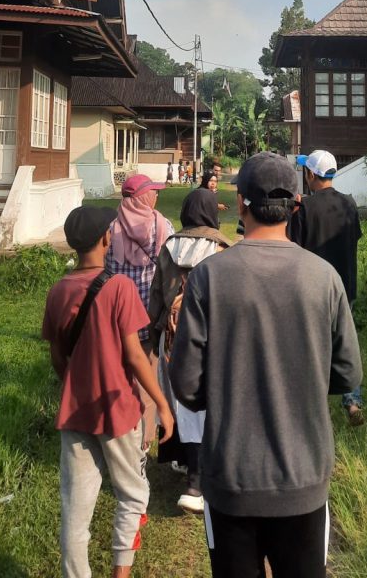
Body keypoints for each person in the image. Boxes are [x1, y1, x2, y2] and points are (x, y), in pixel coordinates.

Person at [170, 152, 362, 578]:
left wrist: (222, 389)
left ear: (240, 204)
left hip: (230, 481)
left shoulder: (208, 278)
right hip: (305, 480)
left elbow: (185, 383)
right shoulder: (324, 277)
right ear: (296, 204)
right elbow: (348, 373)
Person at [42, 205, 174, 578]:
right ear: (106, 239)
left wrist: (75, 381)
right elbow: (134, 354)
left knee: (75, 510)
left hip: (75, 410)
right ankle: (121, 573)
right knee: (132, 494)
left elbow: (57, 358)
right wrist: (161, 404)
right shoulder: (119, 287)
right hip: (116, 408)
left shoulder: (57, 291)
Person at [148, 188, 233, 514]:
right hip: (211, 339)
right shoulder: (222, 249)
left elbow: (157, 294)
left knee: (178, 401)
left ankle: (184, 460)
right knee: (206, 406)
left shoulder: (169, 247)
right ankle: (199, 479)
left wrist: (154, 333)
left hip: (173, 338)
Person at [290, 149, 365, 425]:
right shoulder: (350, 204)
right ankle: (353, 402)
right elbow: (354, 238)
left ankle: (314, 405)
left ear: (310, 174)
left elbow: (295, 249)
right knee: (345, 342)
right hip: (346, 286)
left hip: (314, 288)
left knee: (314, 346)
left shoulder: (305, 209)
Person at [106, 174, 175, 438]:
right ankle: (143, 440)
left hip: (120, 318)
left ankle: (121, 427)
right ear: (143, 197)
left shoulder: (111, 229)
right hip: (150, 315)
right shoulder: (161, 226)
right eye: (153, 192)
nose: (157, 196)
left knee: (122, 375)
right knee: (148, 375)